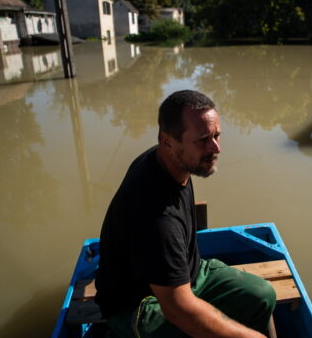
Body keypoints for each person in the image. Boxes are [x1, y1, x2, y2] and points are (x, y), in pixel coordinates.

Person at [95, 90, 276, 337]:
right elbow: (178, 309)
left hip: (188, 274)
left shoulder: (169, 160)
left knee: (263, 295)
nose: (216, 148)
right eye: (203, 139)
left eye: (217, 136)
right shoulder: (157, 217)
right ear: (168, 141)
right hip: (140, 305)